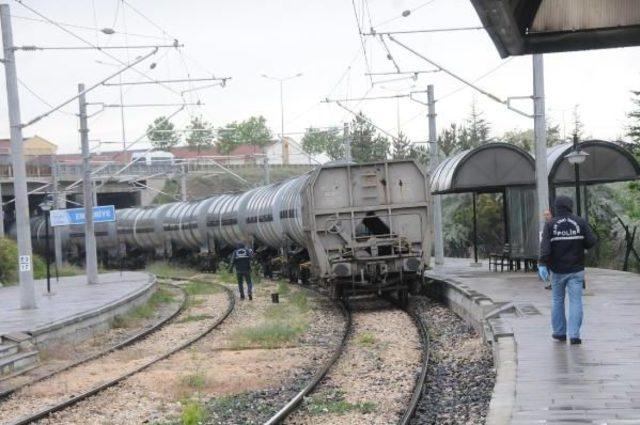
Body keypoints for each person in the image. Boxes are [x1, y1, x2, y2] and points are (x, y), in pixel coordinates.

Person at [538, 196, 597, 345]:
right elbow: (591, 242)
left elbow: (545, 247)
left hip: (557, 271)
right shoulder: (580, 222)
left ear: (556, 207)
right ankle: (575, 335)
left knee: (557, 300)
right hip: (576, 269)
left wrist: (542, 264)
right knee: (576, 301)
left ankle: (559, 333)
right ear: (571, 206)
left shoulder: (550, 224)